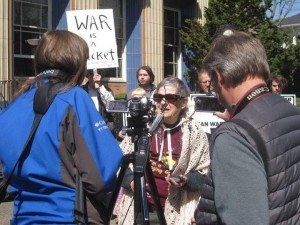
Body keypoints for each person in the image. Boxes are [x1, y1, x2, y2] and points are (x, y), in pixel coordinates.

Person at [0, 30, 123, 224]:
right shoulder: (74, 97)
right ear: (76, 62)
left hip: (22, 216)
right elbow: (101, 174)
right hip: (66, 215)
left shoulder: (13, 105)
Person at [195, 31, 300, 225]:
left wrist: (236, 128)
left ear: (219, 77)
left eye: (212, 85)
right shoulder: (292, 112)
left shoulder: (235, 137)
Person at [118, 77, 210, 225]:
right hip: (140, 207)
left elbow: (204, 173)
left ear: (183, 102)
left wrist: (186, 181)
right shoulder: (142, 127)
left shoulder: (194, 131)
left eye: (170, 97)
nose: (163, 102)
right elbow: (120, 160)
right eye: (158, 97)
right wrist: (131, 181)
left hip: (176, 209)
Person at [82, 68, 116, 135]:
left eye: (98, 74)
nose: (94, 77)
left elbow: (112, 107)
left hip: (103, 127)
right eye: (92, 74)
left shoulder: (106, 90)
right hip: (87, 127)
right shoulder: (82, 90)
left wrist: (100, 87)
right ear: (87, 75)